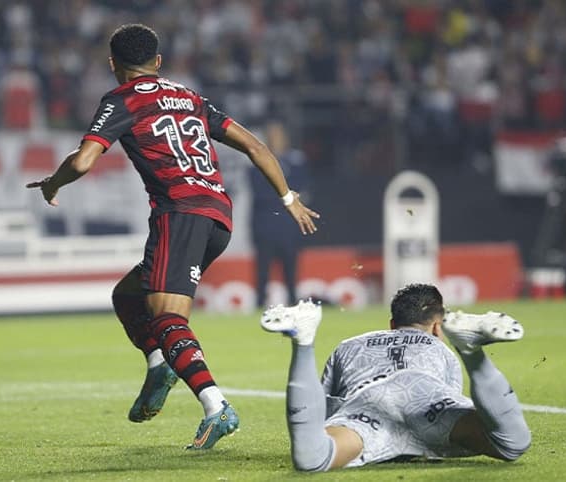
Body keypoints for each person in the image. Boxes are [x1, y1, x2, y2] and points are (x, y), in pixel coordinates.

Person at [26, 23, 320, 450]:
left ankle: (216, 407)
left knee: (167, 319)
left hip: (179, 214)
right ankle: (159, 364)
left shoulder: (121, 99)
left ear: (113, 65)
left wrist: (54, 183)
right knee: (129, 296)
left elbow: (86, 160)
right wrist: (288, 196)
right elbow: (256, 146)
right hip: (218, 216)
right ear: (158, 62)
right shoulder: (190, 98)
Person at [260, 283, 531, 471]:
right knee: (511, 443)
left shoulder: (349, 345)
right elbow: (455, 408)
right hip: (425, 398)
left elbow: (321, 413)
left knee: (312, 458)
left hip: (368, 404)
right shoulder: (441, 350)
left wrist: (346, 431)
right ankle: (472, 353)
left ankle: (303, 341)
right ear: (438, 327)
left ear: (391, 325)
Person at [249, 120, 310, 307]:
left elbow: (303, 187)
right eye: (273, 135)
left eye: (279, 135)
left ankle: (293, 305)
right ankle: (260, 306)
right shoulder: (256, 163)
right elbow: (259, 192)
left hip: (288, 226)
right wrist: (287, 197)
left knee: (291, 272)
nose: (276, 139)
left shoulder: (296, 161)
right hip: (266, 226)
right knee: (262, 274)